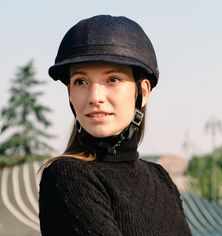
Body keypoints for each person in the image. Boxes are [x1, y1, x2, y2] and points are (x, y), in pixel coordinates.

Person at [39, 15, 192, 236]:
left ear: (143, 92)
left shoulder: (161, 178)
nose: (95, 97)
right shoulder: (67, 177)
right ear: (69, 93)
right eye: (81, 82)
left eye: (113, 80)